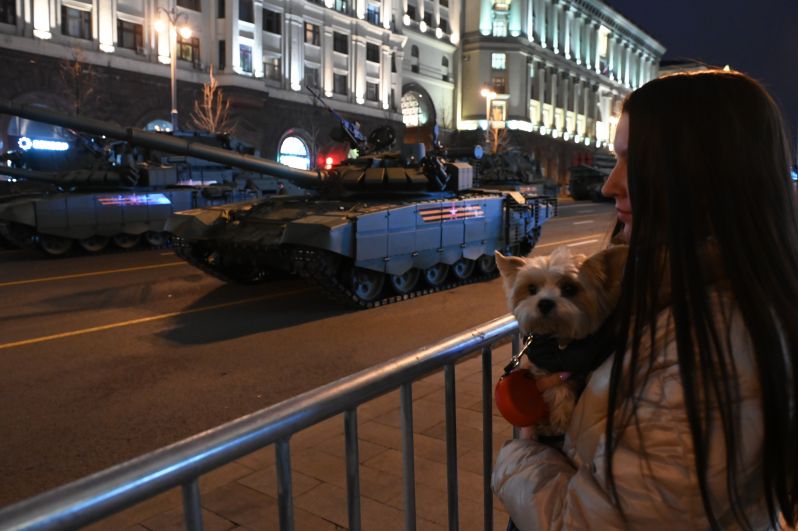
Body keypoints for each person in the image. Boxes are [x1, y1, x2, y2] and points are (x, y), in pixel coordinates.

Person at [492, 70, 798, 530]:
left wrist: (518, 456)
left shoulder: (707, 349)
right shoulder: (676, 296)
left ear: (705, 177)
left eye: (633, 162)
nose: (610, 185)